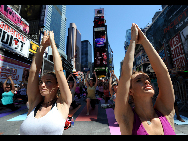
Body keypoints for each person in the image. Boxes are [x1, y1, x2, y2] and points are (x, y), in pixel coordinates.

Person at [115, 23, 176, 135]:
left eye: (147, 78)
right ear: (130, 91)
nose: (146, 81)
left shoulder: (165, 111)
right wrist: (133, 41)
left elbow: (163, 73)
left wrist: (144, 40)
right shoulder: (127, 119)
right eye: (139, 80)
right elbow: (125, 75)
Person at [20, 31, 72, 135]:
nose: (42, 85)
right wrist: (42, 46)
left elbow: (59, 71)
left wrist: (52, 42)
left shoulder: (62, 103)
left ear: (57, 85)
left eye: (48, 82)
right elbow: (33, 71)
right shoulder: (35, 101)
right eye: (41, 82)